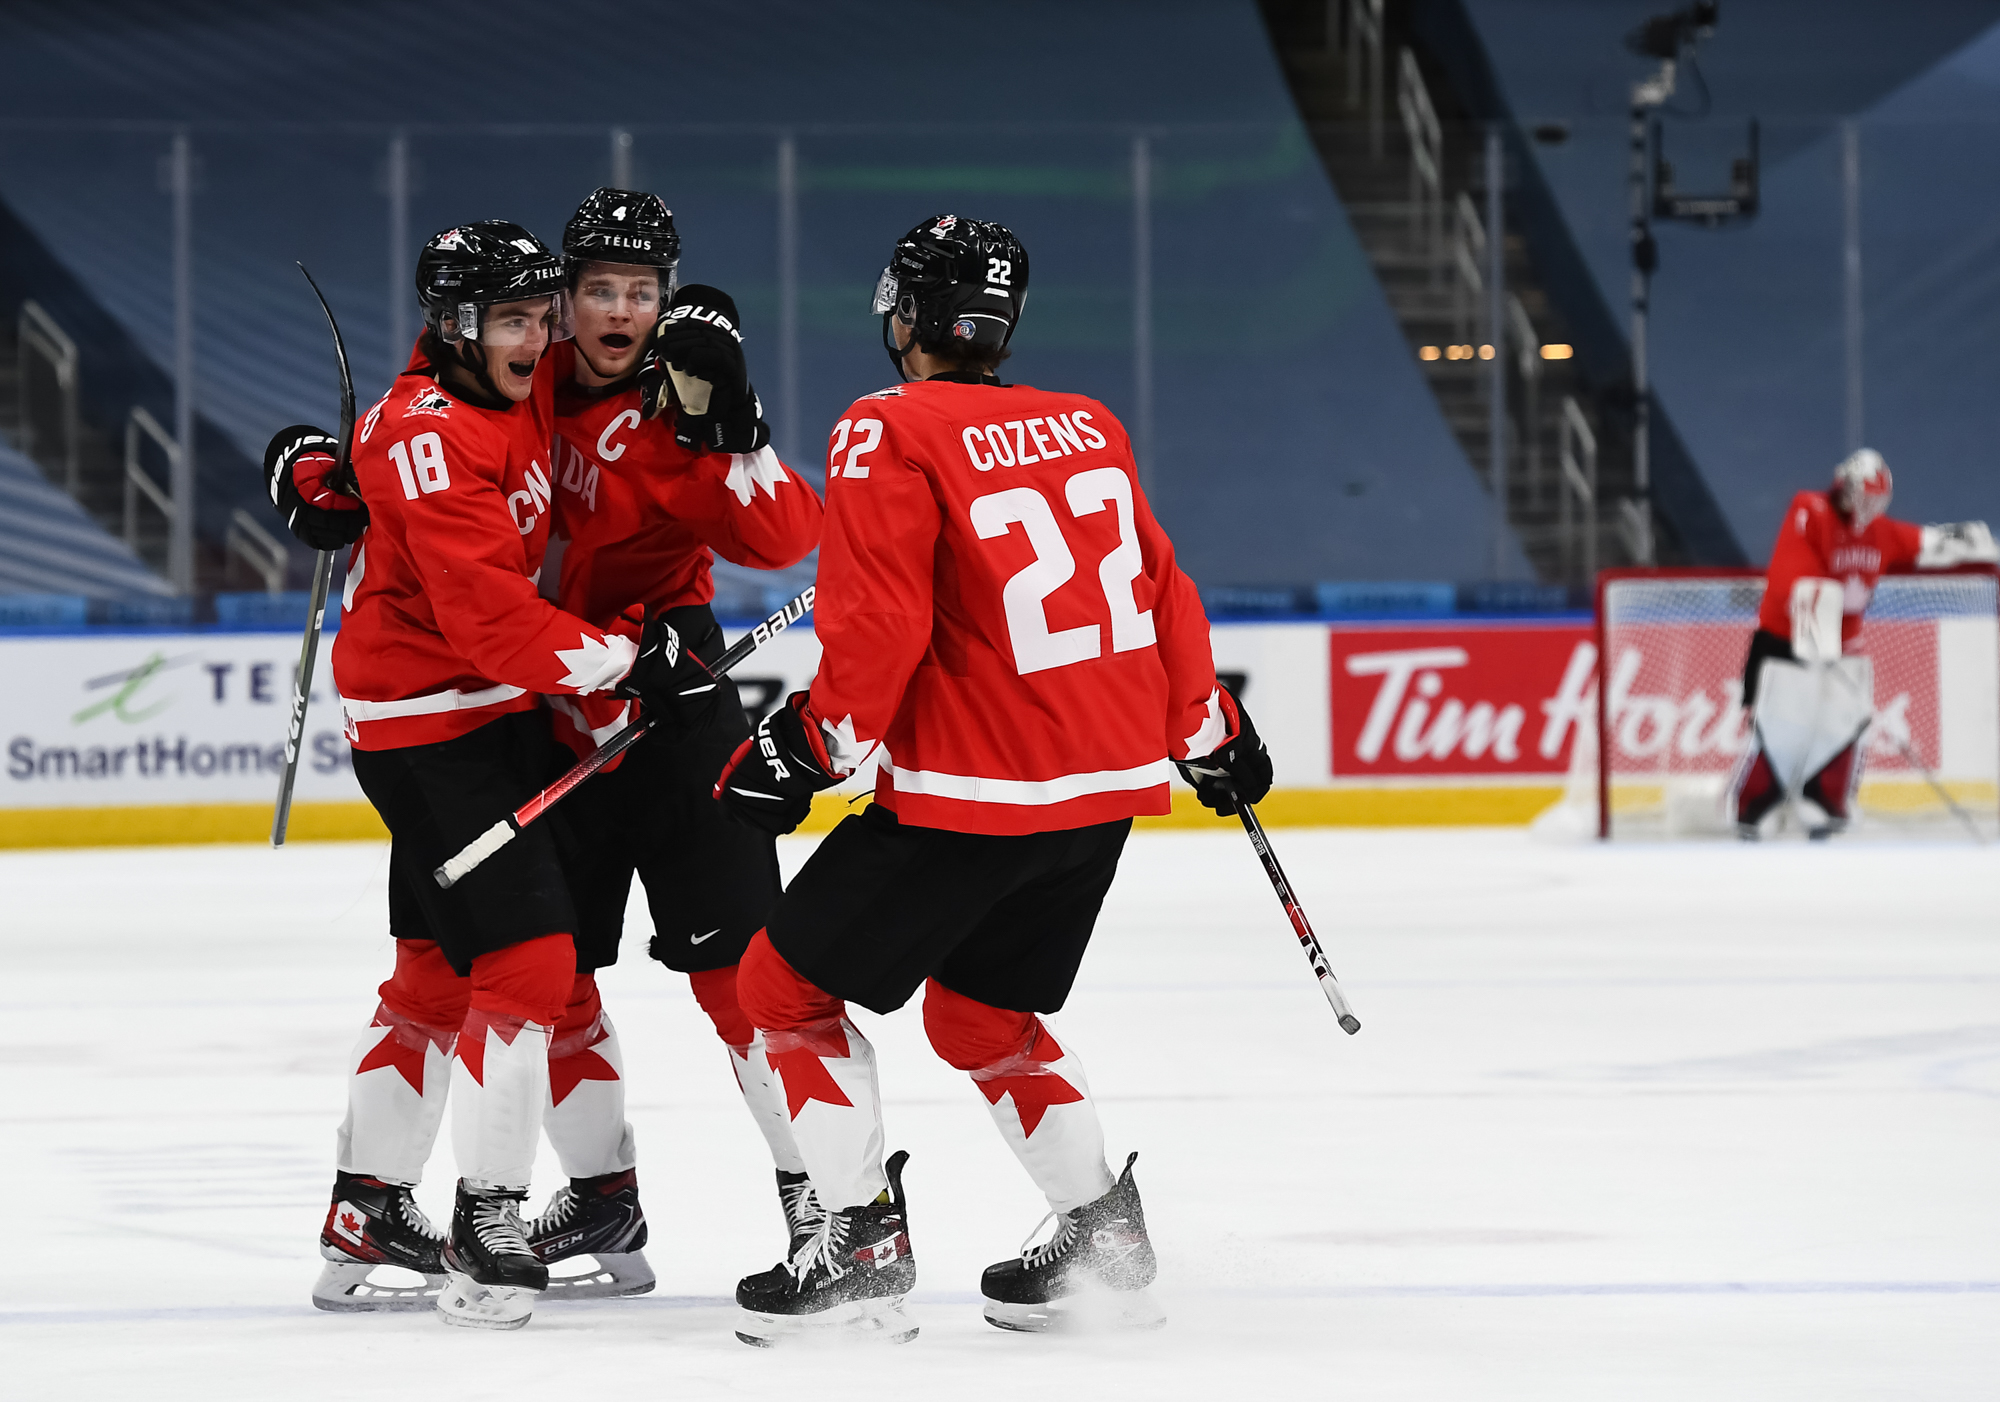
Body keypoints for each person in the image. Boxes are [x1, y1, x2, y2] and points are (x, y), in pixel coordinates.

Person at [707, 214, 1274, 1345]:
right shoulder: (1086, 422)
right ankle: (1102, 1236)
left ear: (906, 318)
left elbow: (880, 620)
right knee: (981, 1016)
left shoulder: (884, 427)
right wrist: (1207, 727)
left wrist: (812, 746)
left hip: (970, 796)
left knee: (778, 993)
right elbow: (1162, 591)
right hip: (1097, 797)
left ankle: (858, 1243)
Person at [270, 220, 709, 1329]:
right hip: (432, 732)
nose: (538, 337)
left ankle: (383, 1209)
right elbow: (487, 619)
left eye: (539, 315)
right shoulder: (429, 434)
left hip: (492, 716)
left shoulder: (513, 392)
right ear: (458, 327)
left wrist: (308, 459)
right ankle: (490, 1218)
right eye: (513, 320)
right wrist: (625, 662)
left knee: (438, 973)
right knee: (528, 960)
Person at [532, 188, 827, 1273]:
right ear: (564, 298)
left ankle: (824, 1203)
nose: (620, 309)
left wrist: (739, 427)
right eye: (601, 289)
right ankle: (602, 1202)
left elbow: (788, 531)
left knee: (742, 973)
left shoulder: (680, 407)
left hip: (673, 689)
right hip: (542, 694)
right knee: (545, 970)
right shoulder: (520, 376)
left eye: (640, 291)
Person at [1729, 448, 1994, 836]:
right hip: (1783, 643)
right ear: (1845, 488)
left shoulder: (1880, 534)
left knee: (1844, 722)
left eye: (1878, 500)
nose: (1871, 507)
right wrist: (1818, 627)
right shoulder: (1810, 510)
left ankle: (1821, 799)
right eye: (1864, 497)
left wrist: (1973, 541)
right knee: (1783, 725)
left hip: (1841, 648)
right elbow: (1793, 576)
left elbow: (1925, 542)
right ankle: (1755, 805)